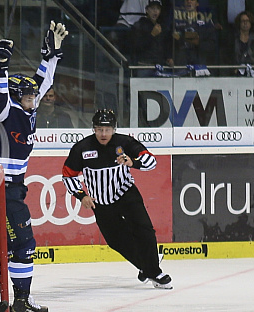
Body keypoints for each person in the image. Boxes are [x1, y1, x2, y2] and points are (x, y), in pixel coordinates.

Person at [0, 21, 68, 312]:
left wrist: (51, 56)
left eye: (34, 98)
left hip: (13, 186)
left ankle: (0, 303)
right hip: (0, 187)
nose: (35, 101)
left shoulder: (26, 107)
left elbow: (42, 83)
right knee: (22, 244)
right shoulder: (6, 111)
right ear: (17, 96)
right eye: (29, 97)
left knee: (5, 245)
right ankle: (15, 302)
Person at [61, 109, 172, 289]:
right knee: (116, 240)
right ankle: (146, 266)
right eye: (99, 129)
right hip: (101, 202)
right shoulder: (82, 148)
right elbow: (68, 175)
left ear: (114, 129)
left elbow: (151, 161)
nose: (103, 134)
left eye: (107, 129)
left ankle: (154, 272)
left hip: (126, 194)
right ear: (93, 129)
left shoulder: (125, 142)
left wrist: (133, 162)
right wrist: (81, 195)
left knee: (144, 230)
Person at [171, 0, 218, 75]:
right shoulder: (176, 22)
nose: (189, 1)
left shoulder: (206, 22)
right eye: (186, 0)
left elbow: (213, 45)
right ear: (184, 3)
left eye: (192, 0)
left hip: (200, 65)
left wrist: (199, 43)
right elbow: (169, 43)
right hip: (181, 64)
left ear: (197, 3)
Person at [132, 0, 174, 76]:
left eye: (158, 8)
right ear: (147, 10)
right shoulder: (140, 25)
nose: (155, 11)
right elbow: (137, 46)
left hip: (159, 66)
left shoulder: (162, 26)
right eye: (152, 8)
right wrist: (152, 35)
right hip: (144, 65)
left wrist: (168, 57)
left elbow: (165, 45)